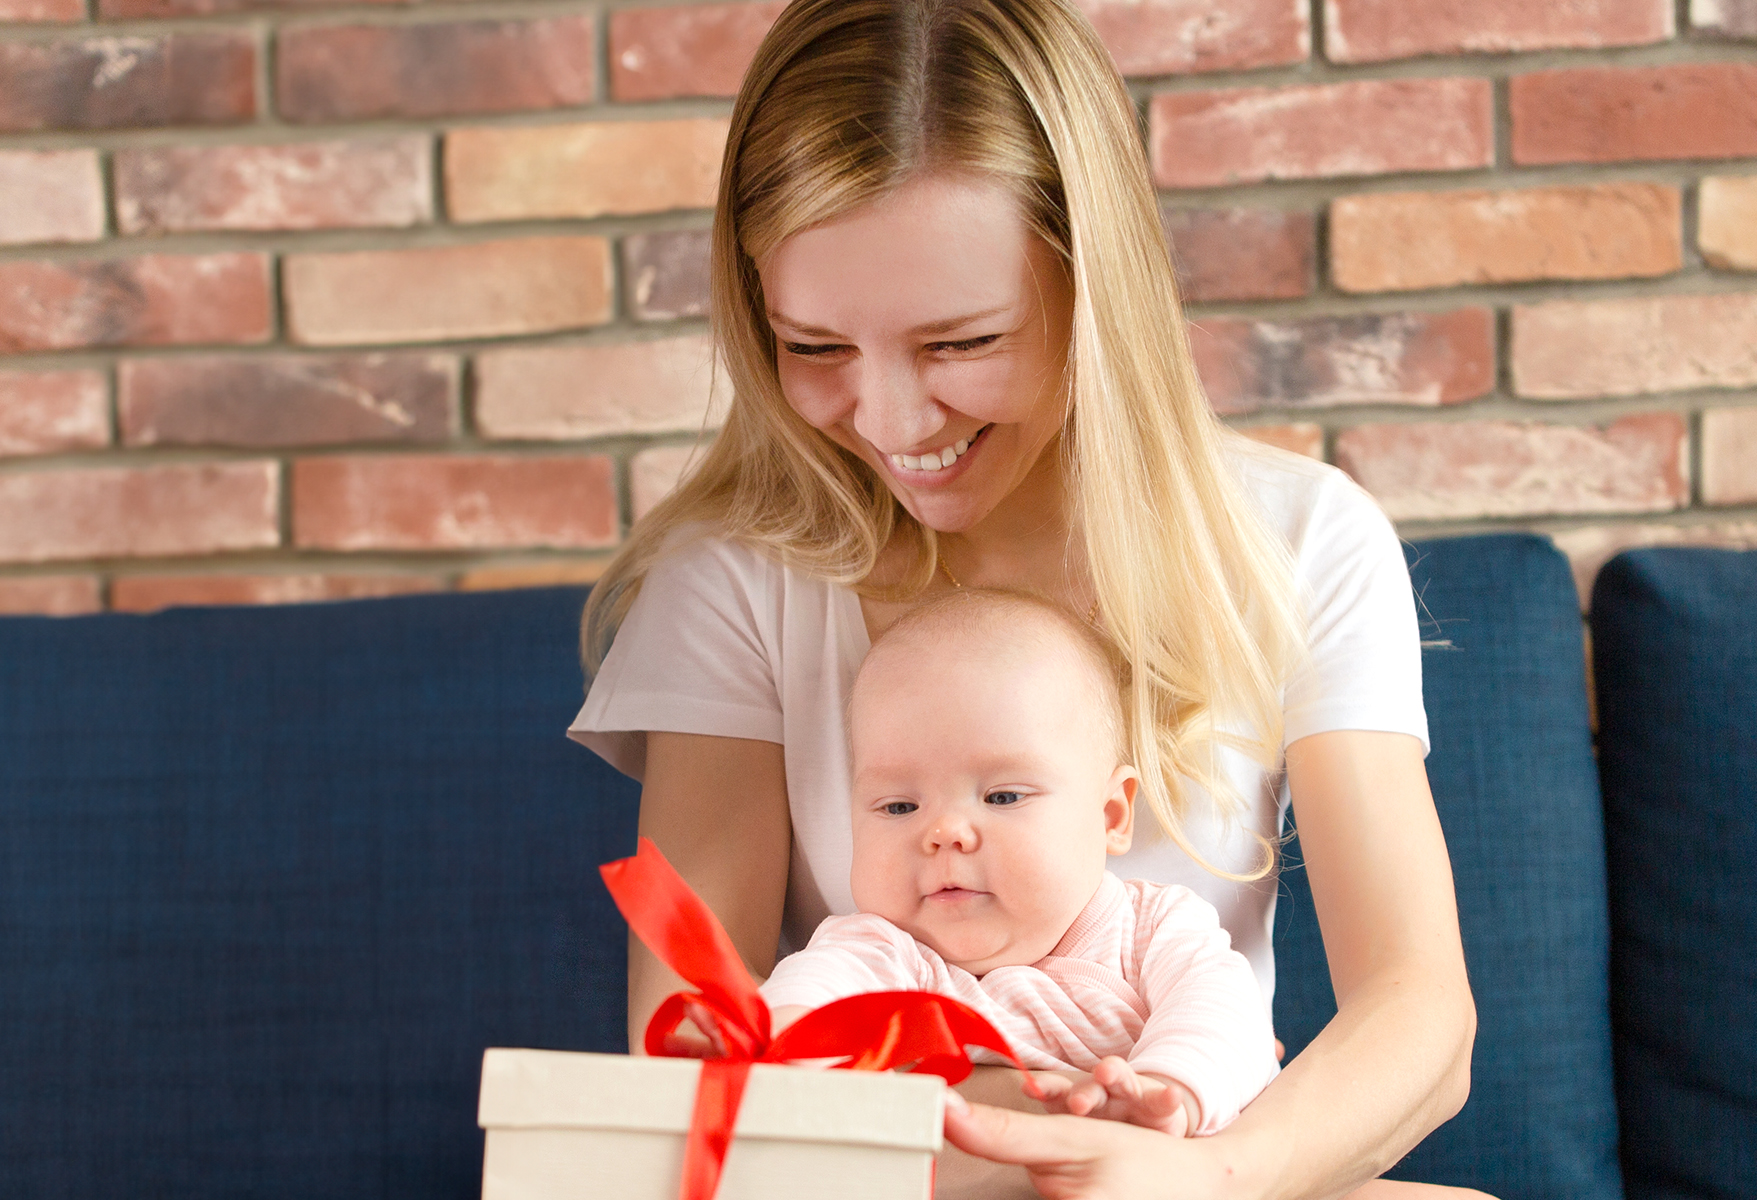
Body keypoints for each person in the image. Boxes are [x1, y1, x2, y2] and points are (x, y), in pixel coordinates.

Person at [569, 1, 1481, 1196]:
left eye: (961, 343)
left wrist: (1206, 1178)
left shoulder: (1298, 541)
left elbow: (1420, 1016)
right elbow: (695, 1065)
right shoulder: (737, 582)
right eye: (816, 347)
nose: (892, 425)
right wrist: (1045, 1151)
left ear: (1093, 286)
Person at [759, 590, 1280, 1139]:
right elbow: (807, 1003)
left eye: (1002, 797)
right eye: (899, 807)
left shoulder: (1154, 931)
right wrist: (772, 1042)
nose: (943, 833)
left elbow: (1227, 1018)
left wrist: (1160, 1093)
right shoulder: (880, 953)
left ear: (1111, 815)